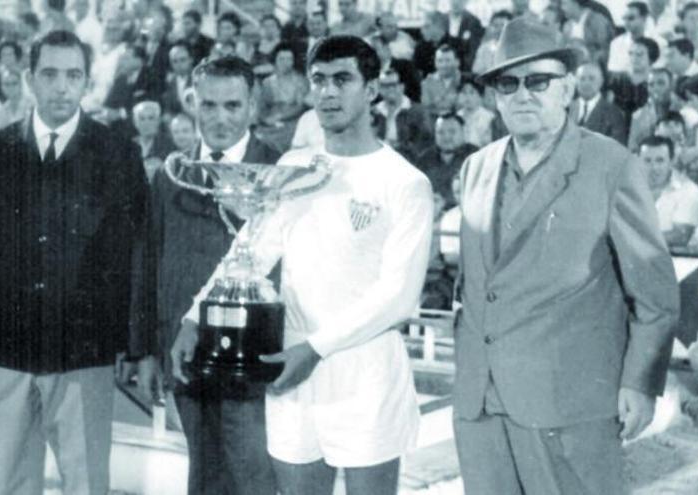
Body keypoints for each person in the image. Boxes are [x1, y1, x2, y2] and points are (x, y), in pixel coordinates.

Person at [173, 35, 432, 495]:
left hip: (362, 374)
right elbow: (251, 251)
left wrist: (314, 348)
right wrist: (196, 316)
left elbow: (399, 296)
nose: (328, 92)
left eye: (343, 79)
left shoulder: (404, 182)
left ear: (372, 89)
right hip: (290, 367)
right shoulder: (295, 165)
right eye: (319, 80)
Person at [455, 18, 679, 494]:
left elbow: (655, 294)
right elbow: (474, 285)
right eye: (508, 83)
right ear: (494, 96)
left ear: (569, 88)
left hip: (570, 405)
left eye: (539, 81)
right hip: (480, 406)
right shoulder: (476, 167)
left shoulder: (611, 165)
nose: (523, 94)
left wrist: (639, 383)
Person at [0, 30, 158, 495]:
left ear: (87, 82)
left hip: (84, 353)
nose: (61, 87)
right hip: (8, 349)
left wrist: (138, 343)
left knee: (86, 482)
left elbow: (139, 256)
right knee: (10, 481)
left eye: (73, 75)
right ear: (29, 79)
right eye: (50, 74)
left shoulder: (117, 154)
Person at [152, 56, 282, 495]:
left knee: (252, 477)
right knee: (202, 475)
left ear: (252, 105)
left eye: (232, 105)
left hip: (253, 358)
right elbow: (151, 261)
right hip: (184, 353)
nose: (220, 118)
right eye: (209, 105)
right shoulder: (172, 175)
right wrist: (148, 348)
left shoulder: (280, 171)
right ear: (193, 104)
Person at [639, 135, 698, 247]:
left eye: (660, 160)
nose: (654, 167)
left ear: (671, 162)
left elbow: (681, 236)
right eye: (647, 161)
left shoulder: (689, 190)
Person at [414, 112, 477, 209]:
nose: (446, 137)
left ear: (464, 132)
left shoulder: (476, 157)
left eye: (452, 131)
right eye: (440, 132)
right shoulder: (425, 159)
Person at [373, 69, 432, 161]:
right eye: (385, 86)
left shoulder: (417, 111)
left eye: (393, 85)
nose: (390, 89)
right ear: (379, 89)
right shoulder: (374, 112)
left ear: (401, 86)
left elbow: (425, 142)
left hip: (409, 161)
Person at [570, 62, 628, 144]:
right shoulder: (566, 109)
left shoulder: (614, 113)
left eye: (591, 78)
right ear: (575, 81)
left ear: (601, 81)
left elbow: (617, 150)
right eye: (582, 79)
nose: (586, 83)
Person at [628, 67, 680, 152]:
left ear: (671, 85)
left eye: (661, 83)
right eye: (651, 84)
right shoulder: (638, 116)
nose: (655, 88)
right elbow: (632, 151)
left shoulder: (684, 110)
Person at [607, 2, 665, 74]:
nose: (626, 22)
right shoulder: (616, 44)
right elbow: (613, 70)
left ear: (644, 18)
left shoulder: (660, 43)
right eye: (624, 18)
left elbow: (660, 72)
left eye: (631, 18)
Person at [562, 0, 615, 67]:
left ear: (575, 3)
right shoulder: (567, 26)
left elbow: (608, 50)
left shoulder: (598, 21)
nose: (562, 8)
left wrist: (588, 57)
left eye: (564, 3)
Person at [132, 100, 176, 180]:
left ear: (158, 121)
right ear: (135, 123)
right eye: (142, 119)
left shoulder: (169, 144)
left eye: (151, 118)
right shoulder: (129, 145)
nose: (146, 123)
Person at [446, 0, 485, 72]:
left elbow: (473, 49)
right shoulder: (441, 19)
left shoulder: (474, 22)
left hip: (463, 69)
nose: (455, 3)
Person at [458, 79, 495, 148]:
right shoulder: (457, 116)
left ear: (480, 96)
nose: (467, 97)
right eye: (464, 92)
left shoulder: (489, 117)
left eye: (472, 92)